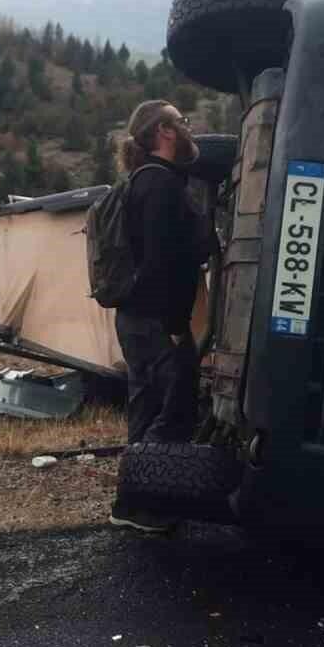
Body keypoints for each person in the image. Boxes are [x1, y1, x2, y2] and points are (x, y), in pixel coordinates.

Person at [108, 99, 211, 532]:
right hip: (156, 320)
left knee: (148, 406)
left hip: (142, 317)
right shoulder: (159, 187)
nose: (188, 127)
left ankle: (132, 504)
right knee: (174, 406)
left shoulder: (154, 180)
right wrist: (173, 327)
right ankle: (144, 503)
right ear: (165, 132)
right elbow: (157, 264)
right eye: (181, 121)